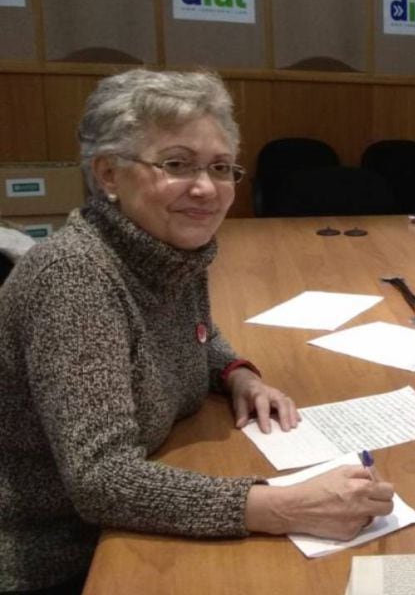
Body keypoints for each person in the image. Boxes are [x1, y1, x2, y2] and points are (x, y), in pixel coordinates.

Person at [0, 70, 394, 594]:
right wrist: (286, 505)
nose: (206, 188)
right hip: (61, 557)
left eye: (220, 167)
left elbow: (195, 336)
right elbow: (100, 480)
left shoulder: (166, 251)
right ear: (109, 175)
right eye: (177, 165)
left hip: (119, 532)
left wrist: (239, 377)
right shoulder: (74, 277)